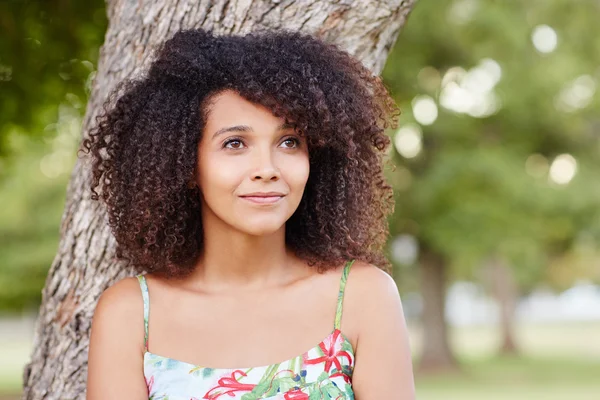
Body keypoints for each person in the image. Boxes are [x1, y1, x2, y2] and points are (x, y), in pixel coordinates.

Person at [83, 27, 415, 399]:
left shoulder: (362, 297)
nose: (267, 168)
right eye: (235, 143)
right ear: (186, 165)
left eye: (289, 142)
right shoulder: (130, 315)